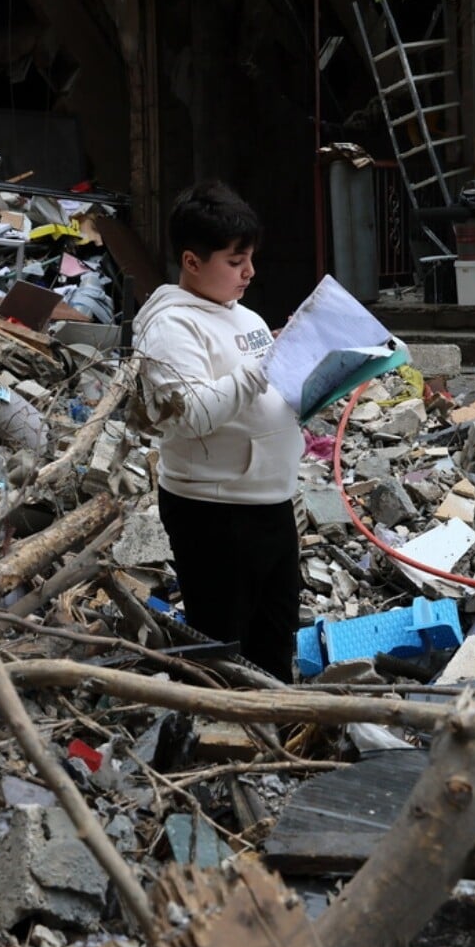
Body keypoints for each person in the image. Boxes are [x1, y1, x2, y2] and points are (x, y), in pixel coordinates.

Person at [132, 180, 305, 680]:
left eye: (250, 258)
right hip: (215, 513)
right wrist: (265, 366)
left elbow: (261, 391)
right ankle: (217, 725)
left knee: (275, 639)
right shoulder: (170, 327)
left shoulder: (244, 316)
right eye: (235, 261)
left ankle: (273, 722)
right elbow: (190, 415)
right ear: (192, 261)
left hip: (271, 503)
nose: (249, 272)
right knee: (223, 650)